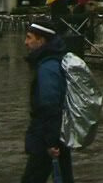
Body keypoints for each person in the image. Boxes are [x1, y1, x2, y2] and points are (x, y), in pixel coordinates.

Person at [22, 17, 74, 183]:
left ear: (41, 40)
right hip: (57, 134)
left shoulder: (48, 68)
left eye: (30, 37)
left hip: (47, 137)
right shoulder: (50, 61)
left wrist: (50, 142)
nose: (25, 42)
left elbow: (50, 105)